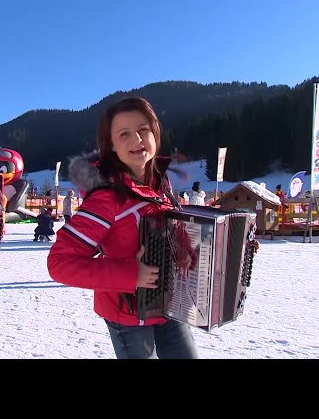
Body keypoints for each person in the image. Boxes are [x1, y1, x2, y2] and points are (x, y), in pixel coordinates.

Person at [48, 96, 259, 359]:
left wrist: (184, 250)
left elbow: (168, 228)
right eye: (124, 134)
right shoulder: (106, 198)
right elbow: (59, 263)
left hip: (170, 302)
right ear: (111, 146)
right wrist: (130, 274)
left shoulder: (161, 184)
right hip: (128, 314)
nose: (136, 139)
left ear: (155, 133)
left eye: (143, 130)